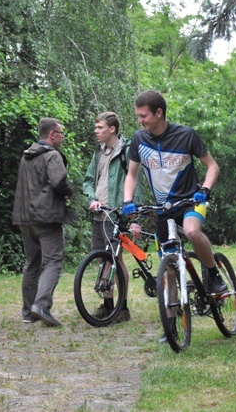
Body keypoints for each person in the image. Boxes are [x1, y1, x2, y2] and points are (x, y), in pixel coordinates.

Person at [121, 90, 227, 295]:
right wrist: (128, 200)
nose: (139, 121)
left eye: (143, 116)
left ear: (158, 113)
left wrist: (205, 190)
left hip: (190, 201)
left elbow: (213, 166)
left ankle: (213, 274)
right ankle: (171, 317)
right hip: (163, 208)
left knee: (192, 231)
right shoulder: (139, 139)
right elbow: (131, 175)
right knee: (167, 264)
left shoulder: (186, 135)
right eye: (138, 116)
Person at [13, 118, 75, 327]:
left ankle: (28, 312)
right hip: (46, 217)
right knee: (54, 261)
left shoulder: (26, 156)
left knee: (32, 263)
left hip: (25, 218)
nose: (63, 137)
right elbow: (59, 180)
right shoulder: (51, 155)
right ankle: (41, 305)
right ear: (51, 135)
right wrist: (68, 192)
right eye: (61, 133)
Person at [82, 111, 141, 323]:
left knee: (115, 258)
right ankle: (108, 304)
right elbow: (88, 180)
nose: (96, 131)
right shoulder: (98, 152)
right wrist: (91, 198)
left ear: (112, 129)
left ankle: (122, 307)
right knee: (101, 257)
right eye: (96, 127)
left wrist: (134, 217)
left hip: (117, 214)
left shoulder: (126, 151)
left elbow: (136, 182)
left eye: (100, 128)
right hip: (99, 213)